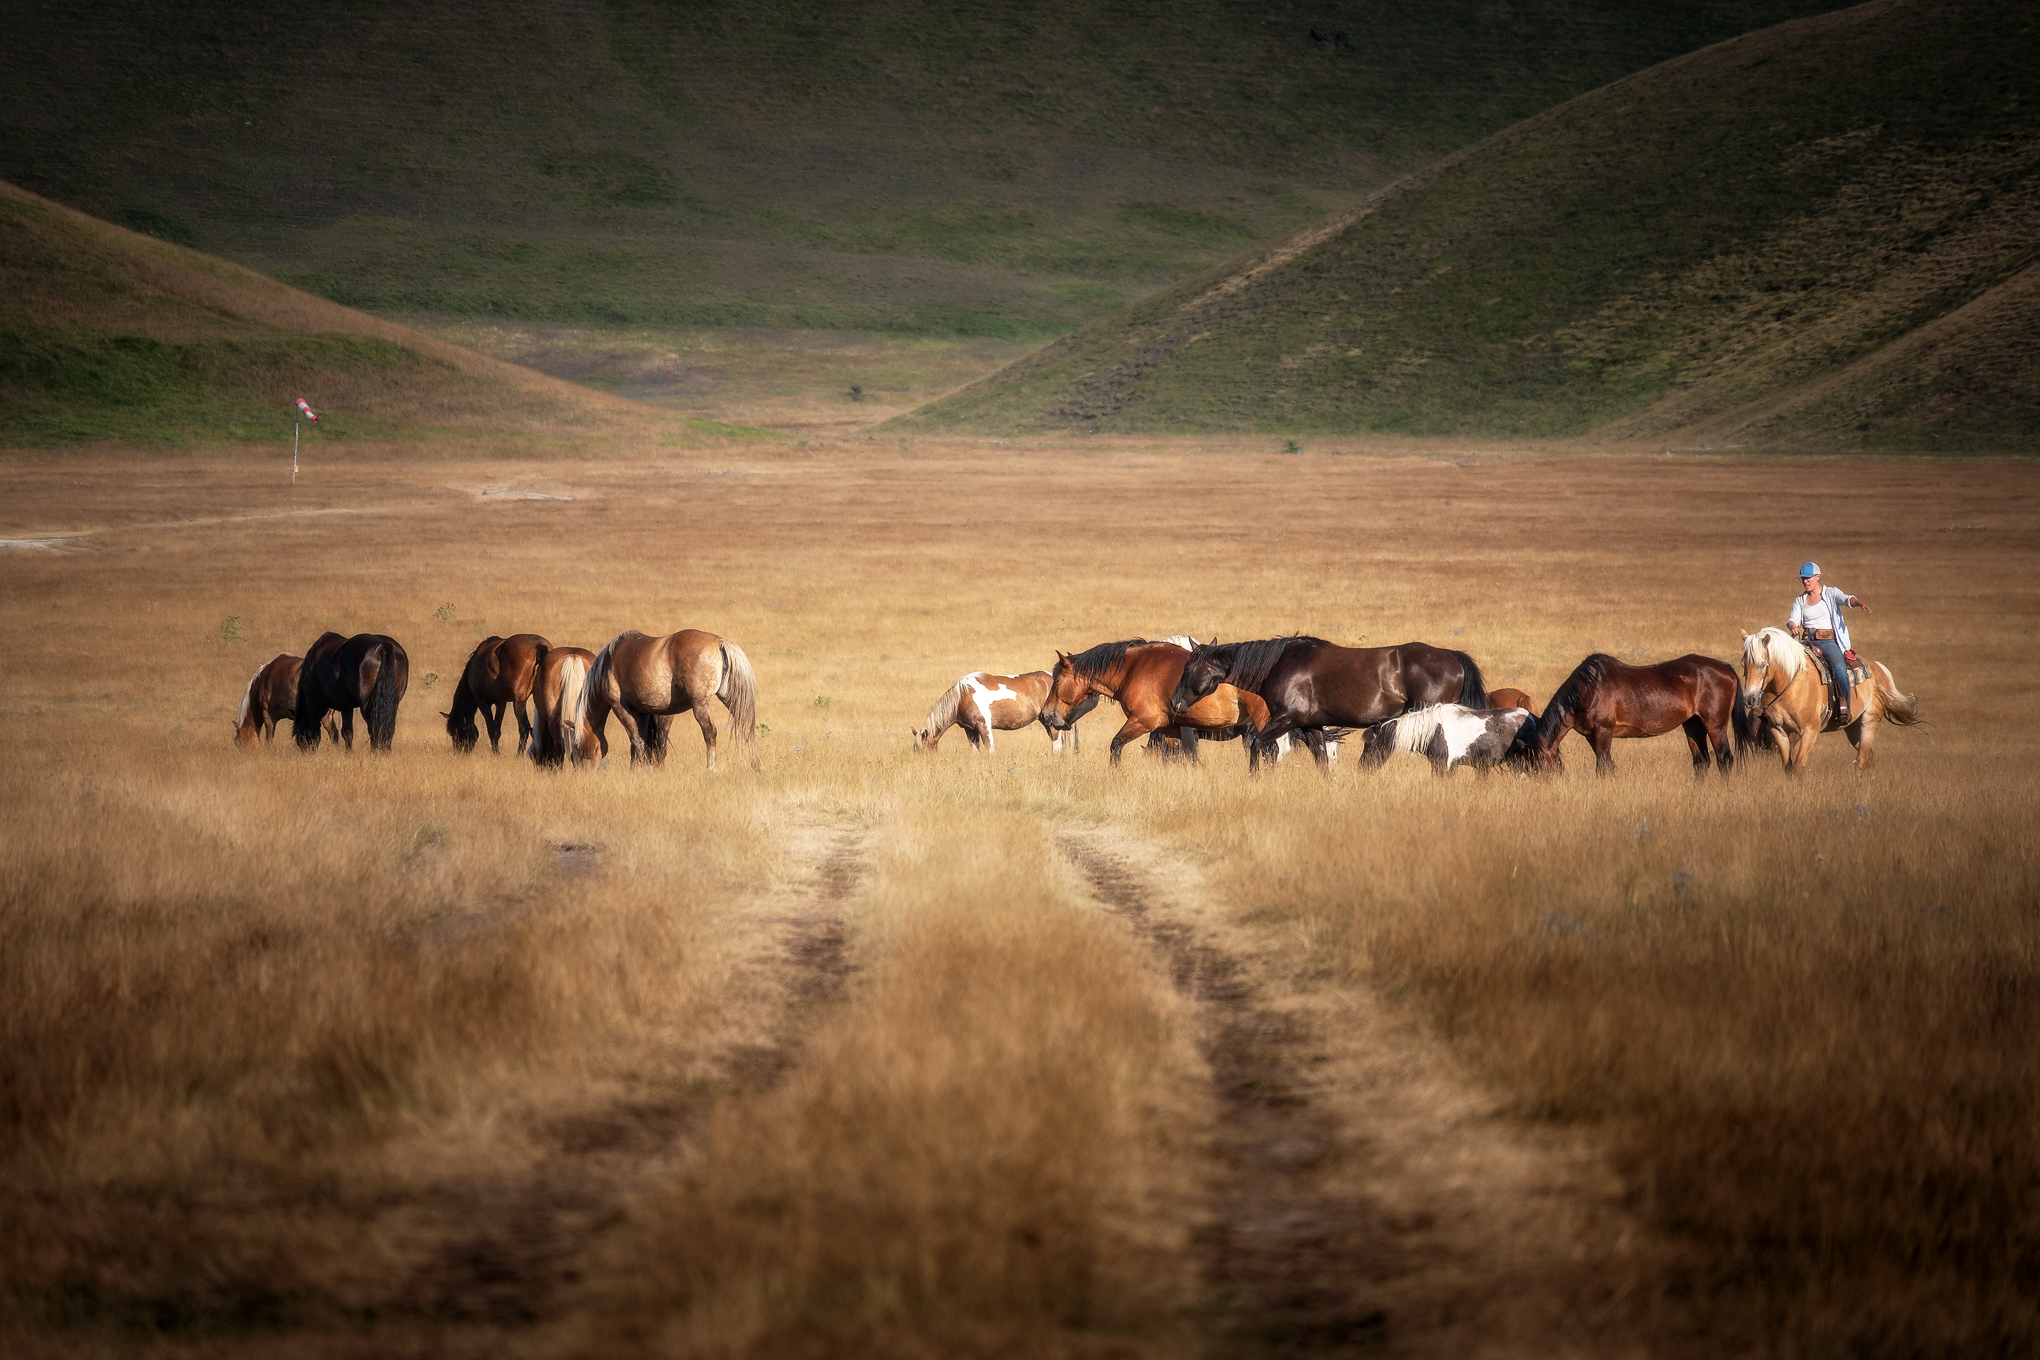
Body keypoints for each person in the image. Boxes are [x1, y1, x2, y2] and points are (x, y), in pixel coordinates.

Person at [1787, 562, 1873, 724]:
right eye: (1803, 579)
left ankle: (1845, 707)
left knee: (1839, 669)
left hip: (1828, 642)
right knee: (1787, 665)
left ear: (1818, 577)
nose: (1805, 581)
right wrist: (1793, 627)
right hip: (1807, 641)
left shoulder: (1831, 593)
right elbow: (1793, 619)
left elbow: (1847, 599)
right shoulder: (1800, 600)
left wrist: (1858, 603)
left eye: (1808, 578)